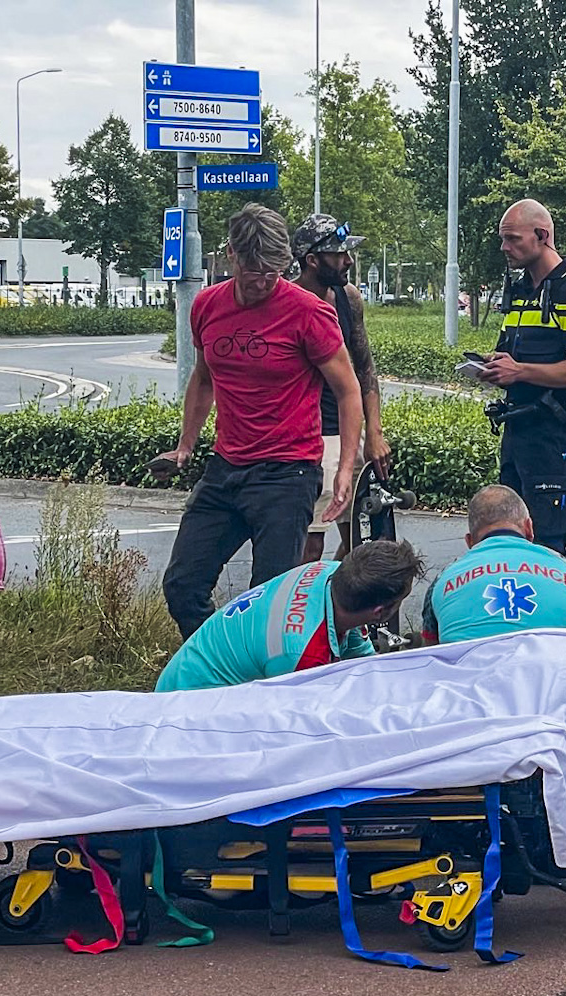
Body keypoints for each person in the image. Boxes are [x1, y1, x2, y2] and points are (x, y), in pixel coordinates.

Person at [154, 204, 367, 638]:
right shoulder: (207, 306)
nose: (263, 282)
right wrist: (185, 445)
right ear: (231, 254)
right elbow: (204, 378)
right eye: (254, 272)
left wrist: (346, 468)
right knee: (183, 585)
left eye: (274, 272)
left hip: (287, 475)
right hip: (226, 470)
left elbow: (349, 390)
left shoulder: (309, 312)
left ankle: (263, 671)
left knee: (270, 602)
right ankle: (219, 659)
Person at [476, 199, 566, 555]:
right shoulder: (521, 290)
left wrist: (520, 371)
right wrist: (497, 365)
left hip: (551, 436)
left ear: (542, 236)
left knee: (547, 543)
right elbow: (516, 357)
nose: (505, 247)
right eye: (503, 239)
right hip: (517, 432)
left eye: (513, 239)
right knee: (508, 538)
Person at [155, 540, 425, 692]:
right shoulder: (303, 654)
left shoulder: (333, 574)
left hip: (190, 675)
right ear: (380, 612)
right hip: (189, 705)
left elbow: (362, 664)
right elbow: (300, 725)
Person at [290, 213, 390, 562]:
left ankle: (338, 592)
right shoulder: (287, 302)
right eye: (339, 254)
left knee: (364, 539)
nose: (348, 261)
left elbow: (365, 367)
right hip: (308, 436)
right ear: (312, 260)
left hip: (348, 431)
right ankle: (307, 595)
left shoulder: (348, 297)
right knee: (310, 543)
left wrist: (374, 432)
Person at [420, 485, 566, 651]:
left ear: (470, 541)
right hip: (554, 683)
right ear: (529, 528)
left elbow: (431, 654)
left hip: (472, 684)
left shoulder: (442, 582)